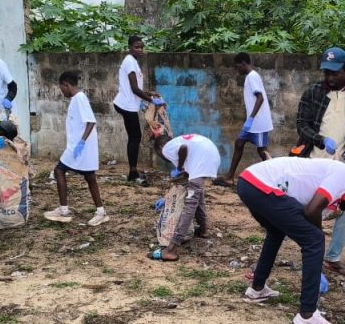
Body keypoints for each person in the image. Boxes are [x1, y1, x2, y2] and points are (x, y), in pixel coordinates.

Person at [237, 157, 345, 324]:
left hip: (248, 183)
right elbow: (311, 211)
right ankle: (307, 315)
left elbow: (310, 214)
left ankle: (257, 289)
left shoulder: (334, 194)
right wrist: (317, 238)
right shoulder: (344, 174)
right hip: (260, 184)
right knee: (314, 239)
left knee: (276, 232)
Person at [295, 46, 345, 278]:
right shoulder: (313, 93)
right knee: (309, 208)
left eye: (335, 73)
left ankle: (333, 257)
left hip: (344, 165)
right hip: (314, 162)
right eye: (326, 73)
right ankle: (311, 256)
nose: (330, 77)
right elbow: (301, 124)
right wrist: (319, 139)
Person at [44, 70, 108, 226]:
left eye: (61, 88)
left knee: (59, 170)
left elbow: (91, 122)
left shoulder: (79, 99)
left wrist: (81, 143)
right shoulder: (76, 99)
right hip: (78, 147)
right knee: (89, 177)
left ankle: (65, 210)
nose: (62, 91)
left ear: (66, 84)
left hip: (80, 148)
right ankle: (100, 211)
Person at [149, 132, 222, 261]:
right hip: (210, 155)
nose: (164, 158)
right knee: (197, 193)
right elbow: (186, 177)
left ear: (160, 149)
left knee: (190, 205)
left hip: (203, 160)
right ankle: (204, 229)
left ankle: (171, 249)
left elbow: (183, 148)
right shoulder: (178, 142)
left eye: (161, 156)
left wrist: (178, 167)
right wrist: (167, 198)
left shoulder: (166, 148)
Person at [217, 53, 272, 185]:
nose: (237, 70)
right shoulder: (250, 77)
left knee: (261, 150)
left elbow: (260, 98)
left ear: (243, 63)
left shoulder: (252, 77)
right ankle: (230, 177)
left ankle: (276, 175)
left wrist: (251, 119)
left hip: (258, 123)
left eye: (237, 67)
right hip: (253, 122)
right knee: (239, 143)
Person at [112, 35, 161, 184]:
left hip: (128, 104)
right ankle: (133, 173)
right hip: (126, 105)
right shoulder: (130, 62)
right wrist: (152, 100)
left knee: (134, 137)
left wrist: (148, 94)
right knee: (135, 138)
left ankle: (133, 171)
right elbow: (134, 89)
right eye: (136, 47)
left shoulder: (133, 62)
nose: (140, 50)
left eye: (141, 47)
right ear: (129, 47)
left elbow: (135, 87)